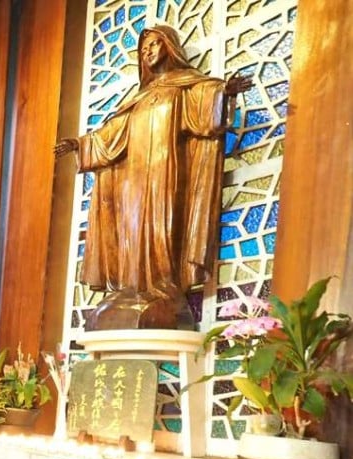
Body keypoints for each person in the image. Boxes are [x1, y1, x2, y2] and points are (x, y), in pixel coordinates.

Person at [55, 24, 252, 331]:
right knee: (131, 234)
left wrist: (224, 92)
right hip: (131, 181)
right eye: (143, 49)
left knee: (161, 227)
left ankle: (163, 289)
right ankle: (131, 288)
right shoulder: (139, 98)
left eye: (154, 45)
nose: (148, 52)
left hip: (165, 172)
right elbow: (110, 136)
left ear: (169, 47)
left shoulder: (184, 87)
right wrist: (80, 144)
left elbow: (204, 114)